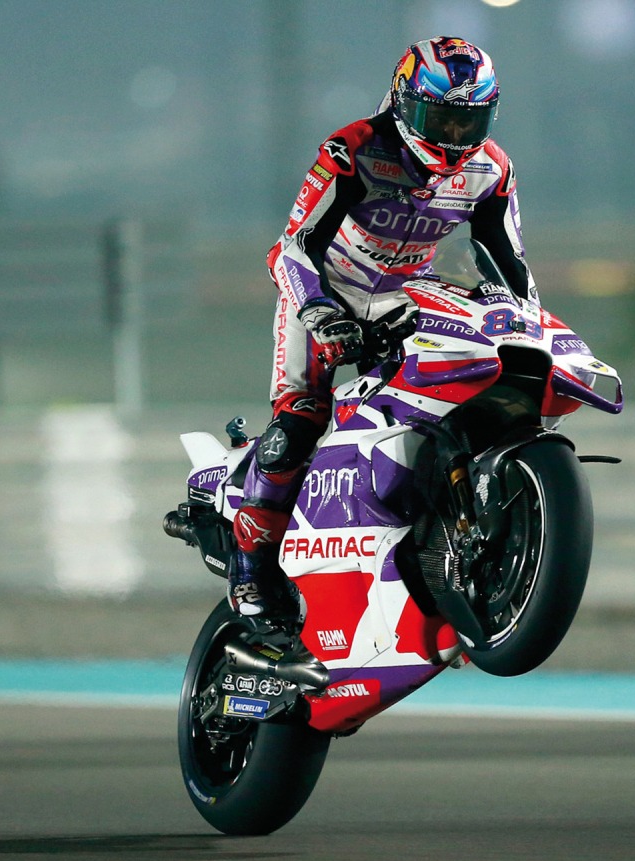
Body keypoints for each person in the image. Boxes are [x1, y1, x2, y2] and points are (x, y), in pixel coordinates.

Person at [229, 35, 538, 619]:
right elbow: (290, 248)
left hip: (404, 299)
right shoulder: (352, 149)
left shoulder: (492, 170)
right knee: (299, 420)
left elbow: (508, 260)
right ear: (402, 100)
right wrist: (317, 310)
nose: (452, 137)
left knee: (449, 393)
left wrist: (520, 319)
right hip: (326, 290)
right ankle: (253, 565)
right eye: (439, 118)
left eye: (467, 122)